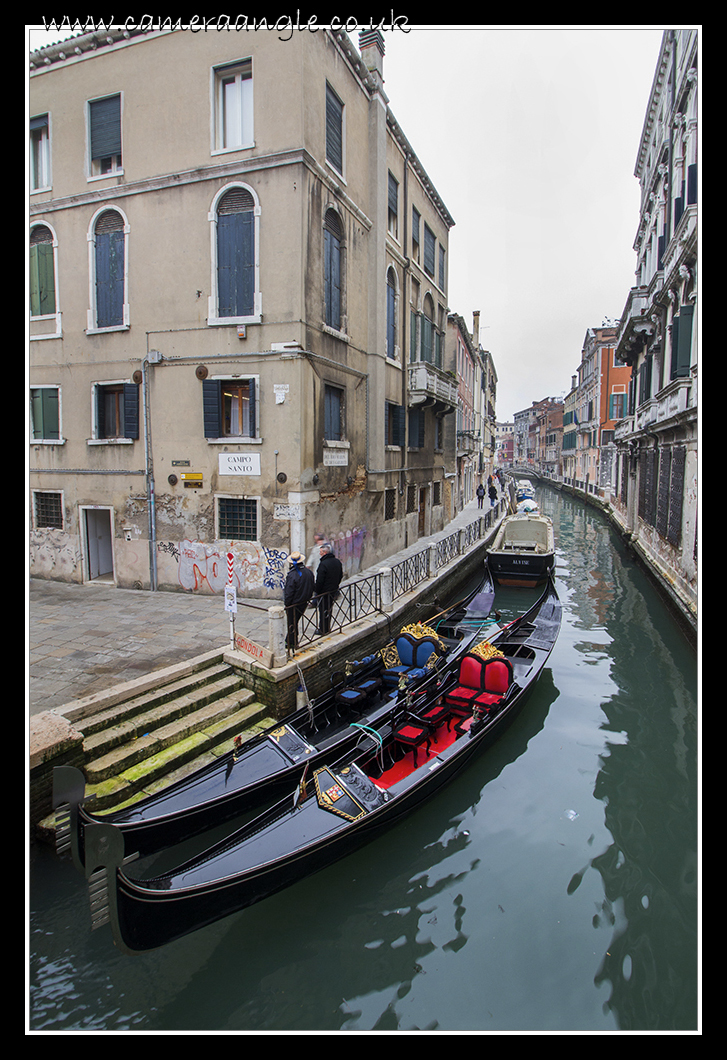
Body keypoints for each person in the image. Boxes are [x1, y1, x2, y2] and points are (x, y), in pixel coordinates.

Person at [283, 552, 314, 650]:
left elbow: (289, 592)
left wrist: (287, 604)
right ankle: (290, 641)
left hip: (294, 603)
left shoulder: (292, 575)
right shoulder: (309, 572)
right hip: (304, 602)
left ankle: (292, 643)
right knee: (294, 622)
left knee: (292, 623)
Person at [314, 543, 343, 635]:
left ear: (325, 552)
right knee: (328, 610)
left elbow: (320, 580)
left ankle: (323, 629)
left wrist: (317, 591)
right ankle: (327, 628)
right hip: (333, 590)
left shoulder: (323, 564)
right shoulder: (337, 562)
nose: (320, 554)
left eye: (321, 552)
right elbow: (340, 575)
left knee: (323, 611)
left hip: (324, 592)